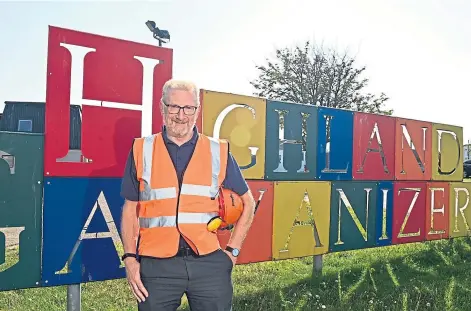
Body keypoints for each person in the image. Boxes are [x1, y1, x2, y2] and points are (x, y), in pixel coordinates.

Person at [119, 79, 256, 311]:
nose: (181, 115)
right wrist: (130, 259)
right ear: (162, 108)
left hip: (209, 264)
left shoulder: (218, 151)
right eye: (174, 107)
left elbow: (248, 203)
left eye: (188, 108)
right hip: (156, 265)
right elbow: (130, 209)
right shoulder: (141, 149)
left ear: (197, 110)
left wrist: (232, 252)